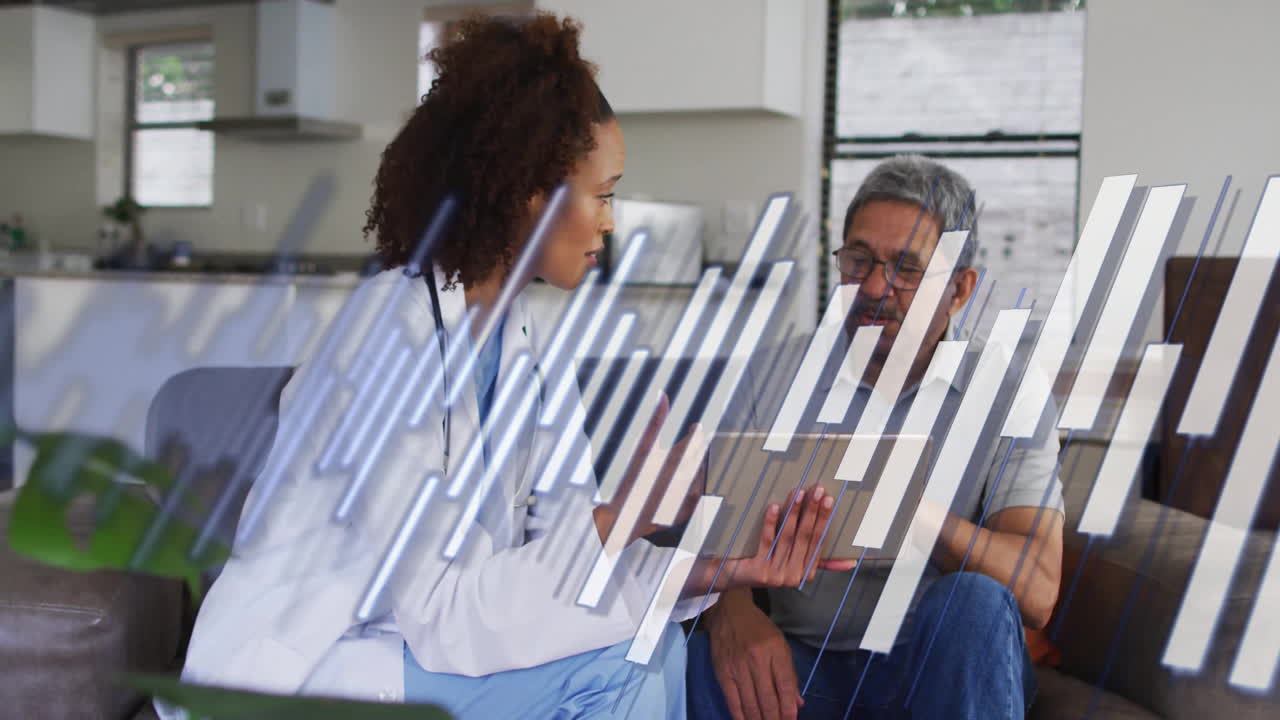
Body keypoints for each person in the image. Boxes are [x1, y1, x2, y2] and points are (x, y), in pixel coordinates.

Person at [167, 14, 833, 720]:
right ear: (528, 193)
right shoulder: (387, 337)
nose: (611, 222)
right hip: (310, 667)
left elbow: (568, 552)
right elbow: (444, 613)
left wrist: (714, 568)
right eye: (603, 194)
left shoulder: (521, 341)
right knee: (614, 673)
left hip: (404, 651)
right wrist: (624, 518)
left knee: (652, 644)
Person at [687, 155, 1065, 720]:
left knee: (975, 603)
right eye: (857, 260)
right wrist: (730, 612)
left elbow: (1036, 591)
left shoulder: (1012, 392)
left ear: (960, 290)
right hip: (801, 666)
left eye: (906, 268)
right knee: (696, 649)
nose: (874, 286)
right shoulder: (769, 376)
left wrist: (910, 512)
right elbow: (704, 531)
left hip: (936, 664)